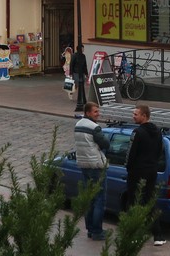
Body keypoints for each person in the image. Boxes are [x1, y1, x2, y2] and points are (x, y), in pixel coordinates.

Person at [125, 104, 165, 247]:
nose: (133, 116)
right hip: (152, 170)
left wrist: (128, 168)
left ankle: (134, 235)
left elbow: (130, 153)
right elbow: (160, 151)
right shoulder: (158, 131)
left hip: (137, 171)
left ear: (144, 116)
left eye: (136, 114)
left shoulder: (137, 132)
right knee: (150, 201)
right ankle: (158, 235)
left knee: (134, 202)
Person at [73, 101, 109, 240]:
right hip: (96, 166)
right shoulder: (95, 127)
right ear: (88, 112)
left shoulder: (78, 125)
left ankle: (90, 229)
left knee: (90, 198)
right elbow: (106, 143)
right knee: (99, 199)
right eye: (95, 111)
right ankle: (97, 231)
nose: (98, 114)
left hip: (83, 164)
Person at [71, 45, 89, 111]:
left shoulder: (83, 56)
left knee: (82, 85)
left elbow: (85, 65)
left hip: (82, 73)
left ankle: (82, 98)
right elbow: (71, 64)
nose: (83, 49)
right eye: (82, 48)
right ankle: (79, 98)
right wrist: (71, 73)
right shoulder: (74, 55)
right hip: (76, 72)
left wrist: (86, 73)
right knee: (78, 84)